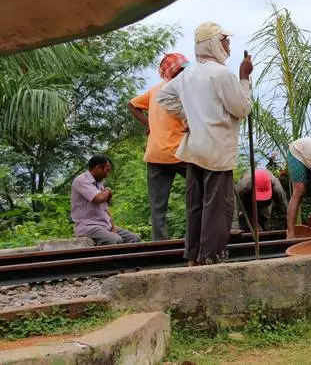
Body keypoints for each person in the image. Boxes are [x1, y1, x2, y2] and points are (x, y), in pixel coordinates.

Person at [156, 22, 253, 266]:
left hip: (195, 149)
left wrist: (188, 114)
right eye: (225, 41)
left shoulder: (188, 74)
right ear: (214, 44)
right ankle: (210, 257)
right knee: (217, 206)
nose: (229, 45)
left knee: (196, 204)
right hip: (216, 150)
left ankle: (194, 256)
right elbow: (241, 108)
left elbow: (163, 97)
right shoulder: (222, 74)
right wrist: (244, 78)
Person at [127, 53, 190, 241]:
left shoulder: (155, 90)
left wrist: (150, 125)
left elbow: (132, 105)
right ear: (173, 73)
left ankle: (159, 244)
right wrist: (150, 125)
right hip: (180, 153)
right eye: (181, 70)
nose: (184, 73)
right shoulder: (182, 90)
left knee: (158, 206)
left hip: (155, 155)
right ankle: (196, 237)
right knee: (200, 193)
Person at [71, 154, 141, 245]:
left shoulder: (99, 182)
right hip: (89, 227)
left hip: (105, 225)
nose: (107, 175)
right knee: (116, 240)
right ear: (98, 167)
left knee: (134, 239)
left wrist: (113, 227)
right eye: (107, 171)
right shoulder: (81, 180)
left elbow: (105, 209)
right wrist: (108, 190)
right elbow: (99, 198)